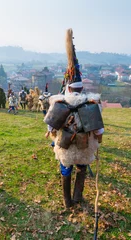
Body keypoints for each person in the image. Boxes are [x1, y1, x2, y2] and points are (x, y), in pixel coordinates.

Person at [44, 29, 104, 209]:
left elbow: (51, 129)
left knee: (66, 169)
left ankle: (67, 201)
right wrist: (97, 142)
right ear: (81, 88)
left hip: (65, 147)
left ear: (68, 88)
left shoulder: (59, 102)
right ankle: (77, 197)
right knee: (82, 168)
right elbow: (99, 131)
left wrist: (52, 135)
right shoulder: (92, 104)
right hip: (84, 147)